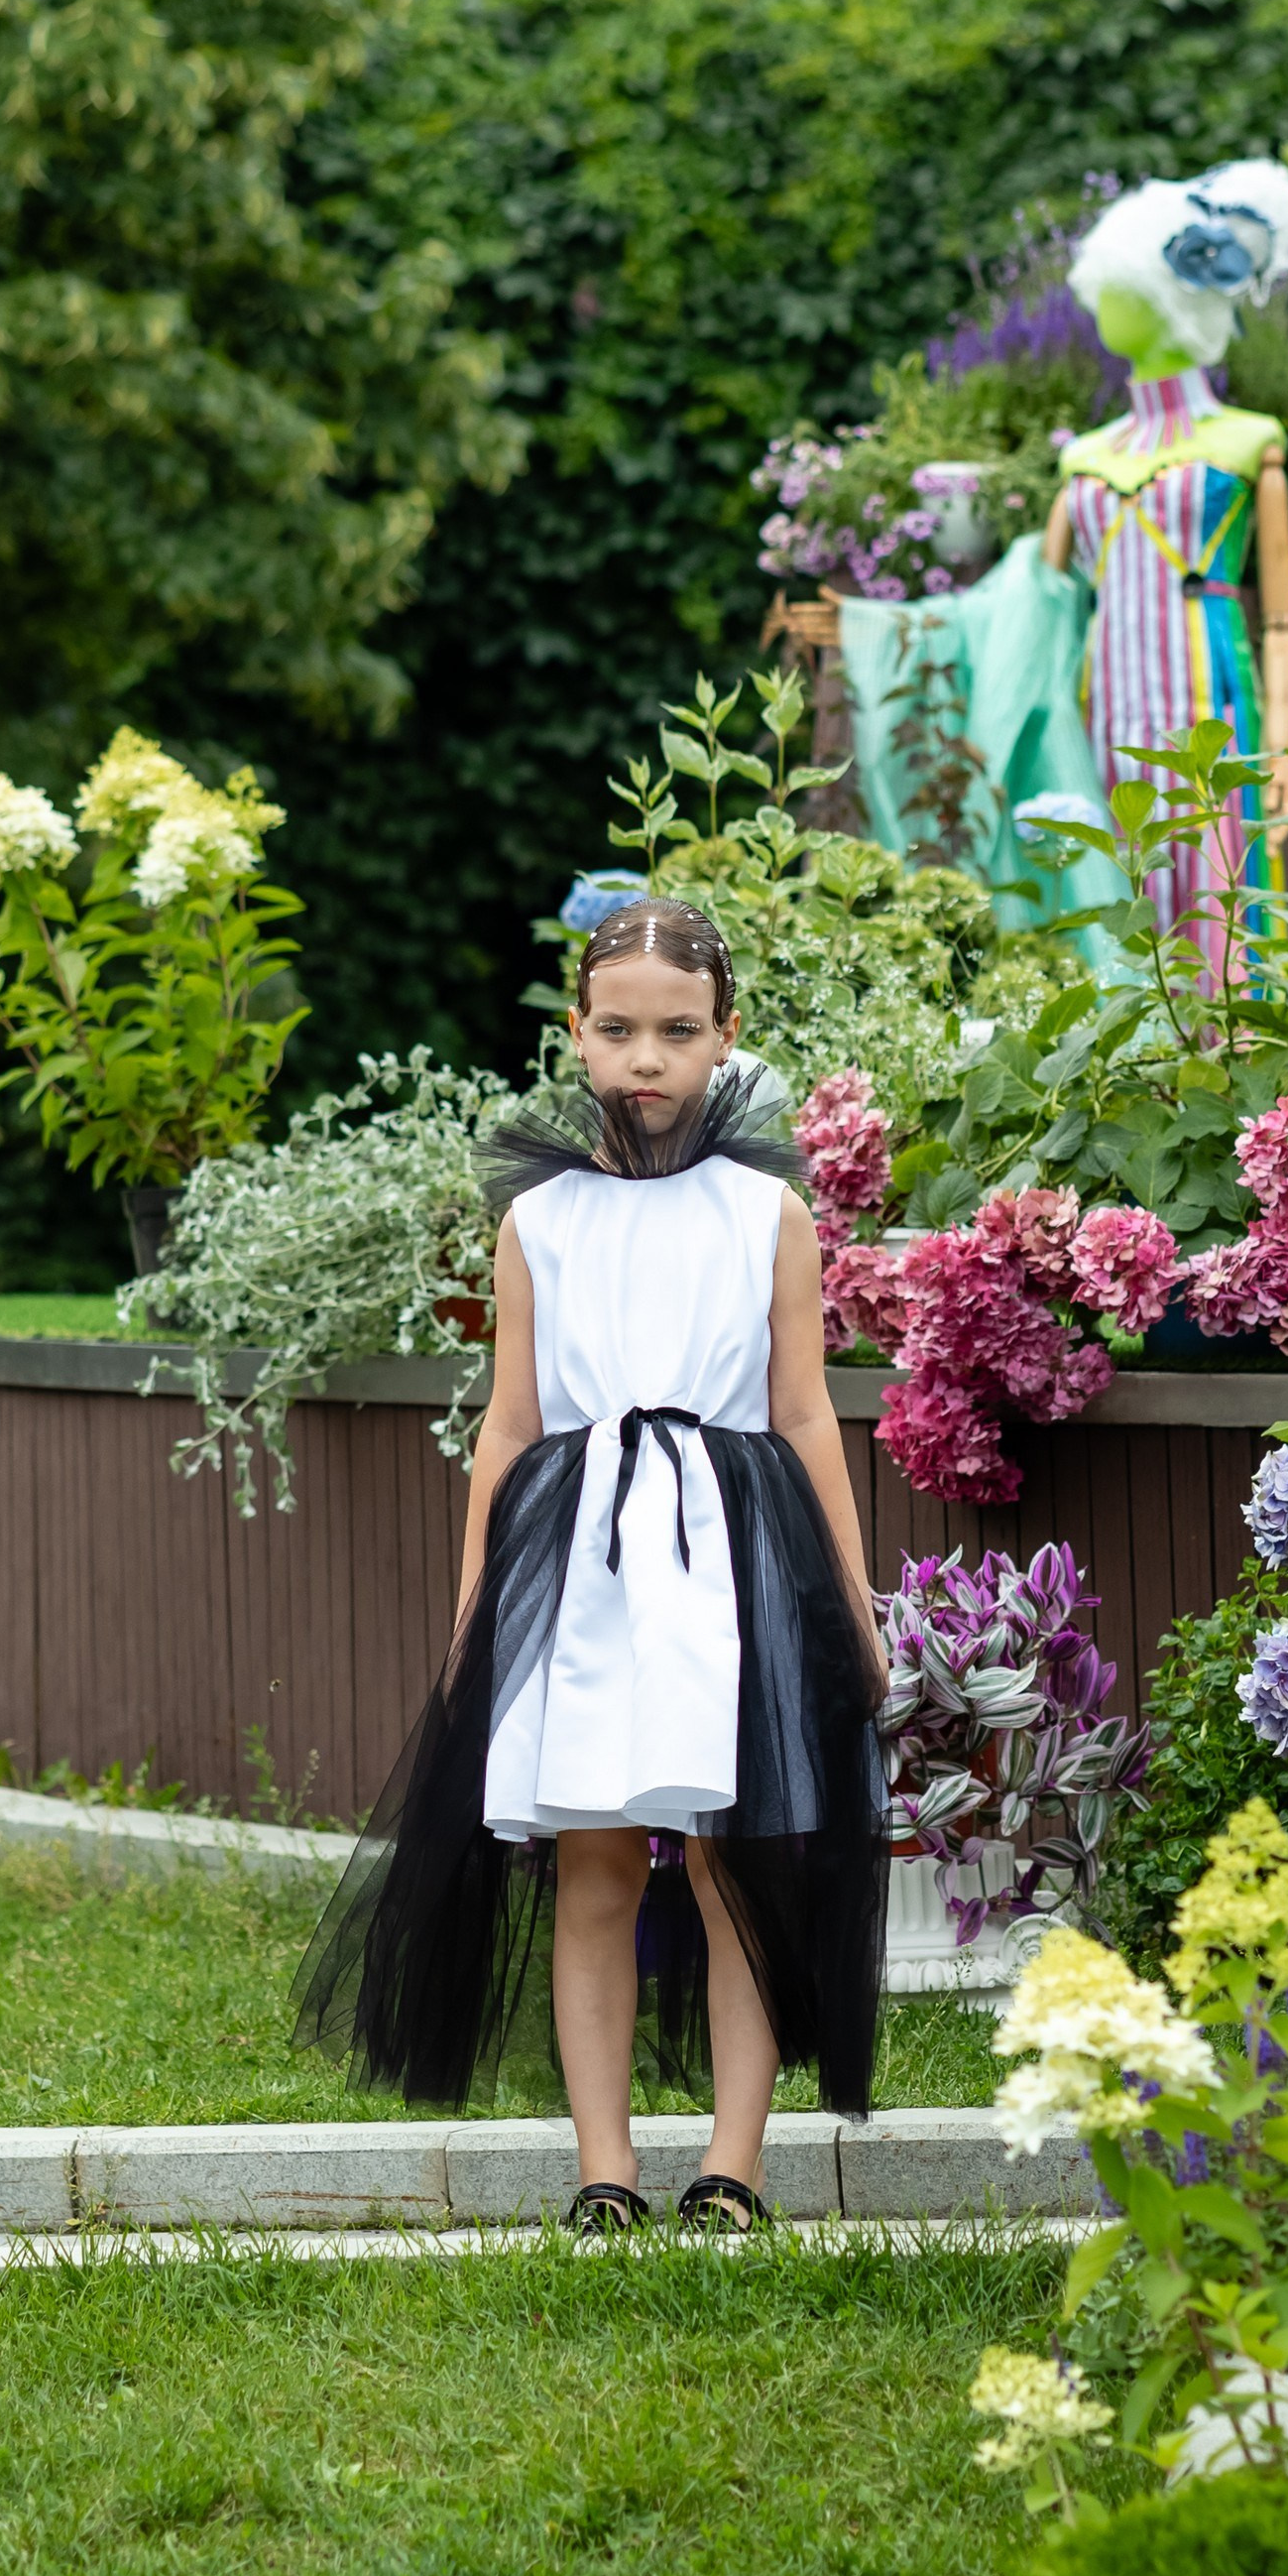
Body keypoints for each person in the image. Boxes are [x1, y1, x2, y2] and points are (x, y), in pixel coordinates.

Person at [292, 898, 887, 2234]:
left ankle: (733, 2164)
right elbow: (511, 1422)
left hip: (735, 1556)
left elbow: (803, 1414)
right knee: (598, 1862)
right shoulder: (541, 1222)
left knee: (740, 1859)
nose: (646, 1058)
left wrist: (848, 1596)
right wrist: (472, 1613)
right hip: (585, 1566)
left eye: (679, 1032)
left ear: (728, 1040)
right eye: (617, 1030)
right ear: (576, 1037)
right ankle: (603, 2167)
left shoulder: (766, 1214)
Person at [1041, 159, 1288, 960]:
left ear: (1173, 299)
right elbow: (1040, 607)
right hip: (1101, 715)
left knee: (1219, 886)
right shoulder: (1083, 458)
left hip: (1208, 708)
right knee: (1114, 890)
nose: (1101, 304)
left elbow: (1284, 619)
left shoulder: (1246, 440)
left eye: (1122, 287)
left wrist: (1283, 747)